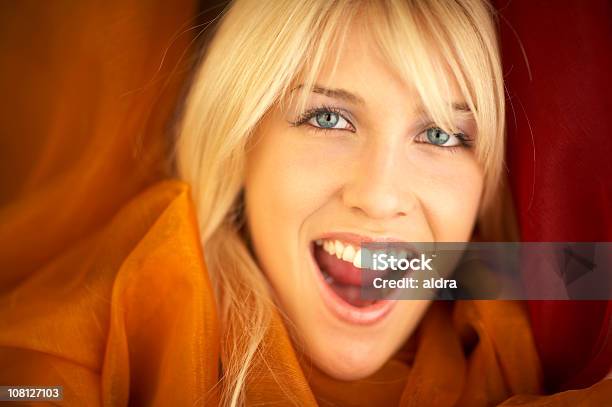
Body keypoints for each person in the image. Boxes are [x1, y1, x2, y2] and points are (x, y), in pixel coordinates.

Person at [0, 0, 610, 406]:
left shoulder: (504, 292)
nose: (377, 195)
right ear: (241, 140)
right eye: (328, 117)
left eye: (441, 135)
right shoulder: (110, 320)